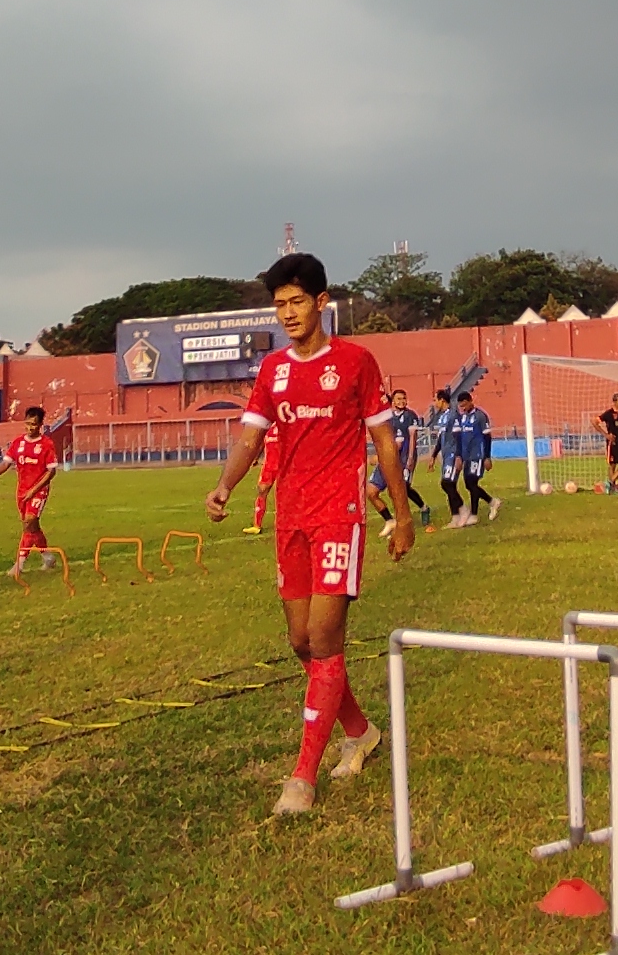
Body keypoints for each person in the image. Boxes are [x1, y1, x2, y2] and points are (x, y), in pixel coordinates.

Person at [201, 253, 414, 816]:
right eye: (279, 304)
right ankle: (362, 732)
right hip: (290, 520)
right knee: (301, 643)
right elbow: (250, 435)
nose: (288, 313)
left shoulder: (356, 363)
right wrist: (225, 485)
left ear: (322, 302)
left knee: (324, 641)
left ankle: (302, 778)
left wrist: (404, 514)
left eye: (297, 301)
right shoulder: (271, 370)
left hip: (339, 516)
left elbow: (385, 443)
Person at [0, 407, 60, 578]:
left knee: (29, 522)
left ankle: (19, 564)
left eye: (34, 424)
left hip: (39, 490)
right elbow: (6, 464)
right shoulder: (18, 443)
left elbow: (51, 472)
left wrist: (34, 490)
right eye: (27, 423)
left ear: (40, 425)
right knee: (32, 527)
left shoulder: (46, 444)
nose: (30, 427)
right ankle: (47, 557)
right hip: (21, 490)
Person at [377, 389, 432, 535]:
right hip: (393, 458)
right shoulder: (389, 417)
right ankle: (402, 517)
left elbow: (413, 437)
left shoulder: (410, 415)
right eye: (399, 399)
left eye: (404, 398)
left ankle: (423, 507)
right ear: (393, 401)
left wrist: (410, 458)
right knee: (396, 488)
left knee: (405, 486)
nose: (402, 401)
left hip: (406, 456)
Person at [454, 396, 500, 523]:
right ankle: (492, 501)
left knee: (471, 482)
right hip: (466, 456)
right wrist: (459, 455)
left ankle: (474, 514)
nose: (463, 408)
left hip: (477, 455)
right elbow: (458, 438)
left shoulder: (480, 416)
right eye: (460, 406)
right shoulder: (461, 417)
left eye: (464, 405)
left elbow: (487, 437)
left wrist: (487, 457)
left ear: (470, 402)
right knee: (469, 485)